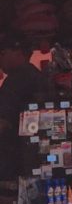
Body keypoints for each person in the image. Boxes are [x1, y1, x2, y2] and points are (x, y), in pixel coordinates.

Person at [0, 33, 52, 179]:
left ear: (18, 53)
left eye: (3, 53)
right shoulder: (37, 75)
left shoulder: (16, 80)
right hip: (41, 153)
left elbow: (2, 122)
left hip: (17, 158)